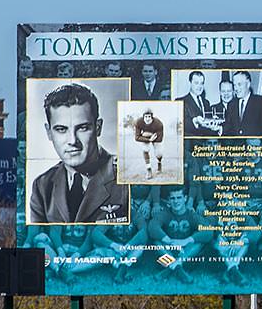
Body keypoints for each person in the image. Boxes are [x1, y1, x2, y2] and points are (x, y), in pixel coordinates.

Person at [29, 83, 128, 224]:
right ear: (49, 132)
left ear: (98, 128)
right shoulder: (43, 186)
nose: (72, 141)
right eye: (61, 129)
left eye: (82, 128)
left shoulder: (126, 177)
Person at [223, 70, 262, 136]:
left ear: (248, 84)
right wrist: (220, 129)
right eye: (234, 85)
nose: (236, 88)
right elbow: (228, 129)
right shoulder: (231, 104)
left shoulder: (261, 102)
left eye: (239, 84)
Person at [183, 70, 222, 136]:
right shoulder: (181, 101)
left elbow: (208, 122)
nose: (199, 86)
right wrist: (195, 120)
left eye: (202, 83)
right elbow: (181, 123)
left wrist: (214, 120)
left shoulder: (206, 102)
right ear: (190, 83)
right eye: (196, 83)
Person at [133, 108, 166, 179]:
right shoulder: (138, 122)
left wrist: (150, 136)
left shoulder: (158, 123)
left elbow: (160, 138)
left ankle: (159, 163)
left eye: (149, 117)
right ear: (143, 117)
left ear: (152, 117)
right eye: (146, 117)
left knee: (159, 153)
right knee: (145, 149)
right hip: (147, 137)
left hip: (155, 136)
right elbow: (137, 137)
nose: (147, 119)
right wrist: (149, 139)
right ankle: (149, 169)